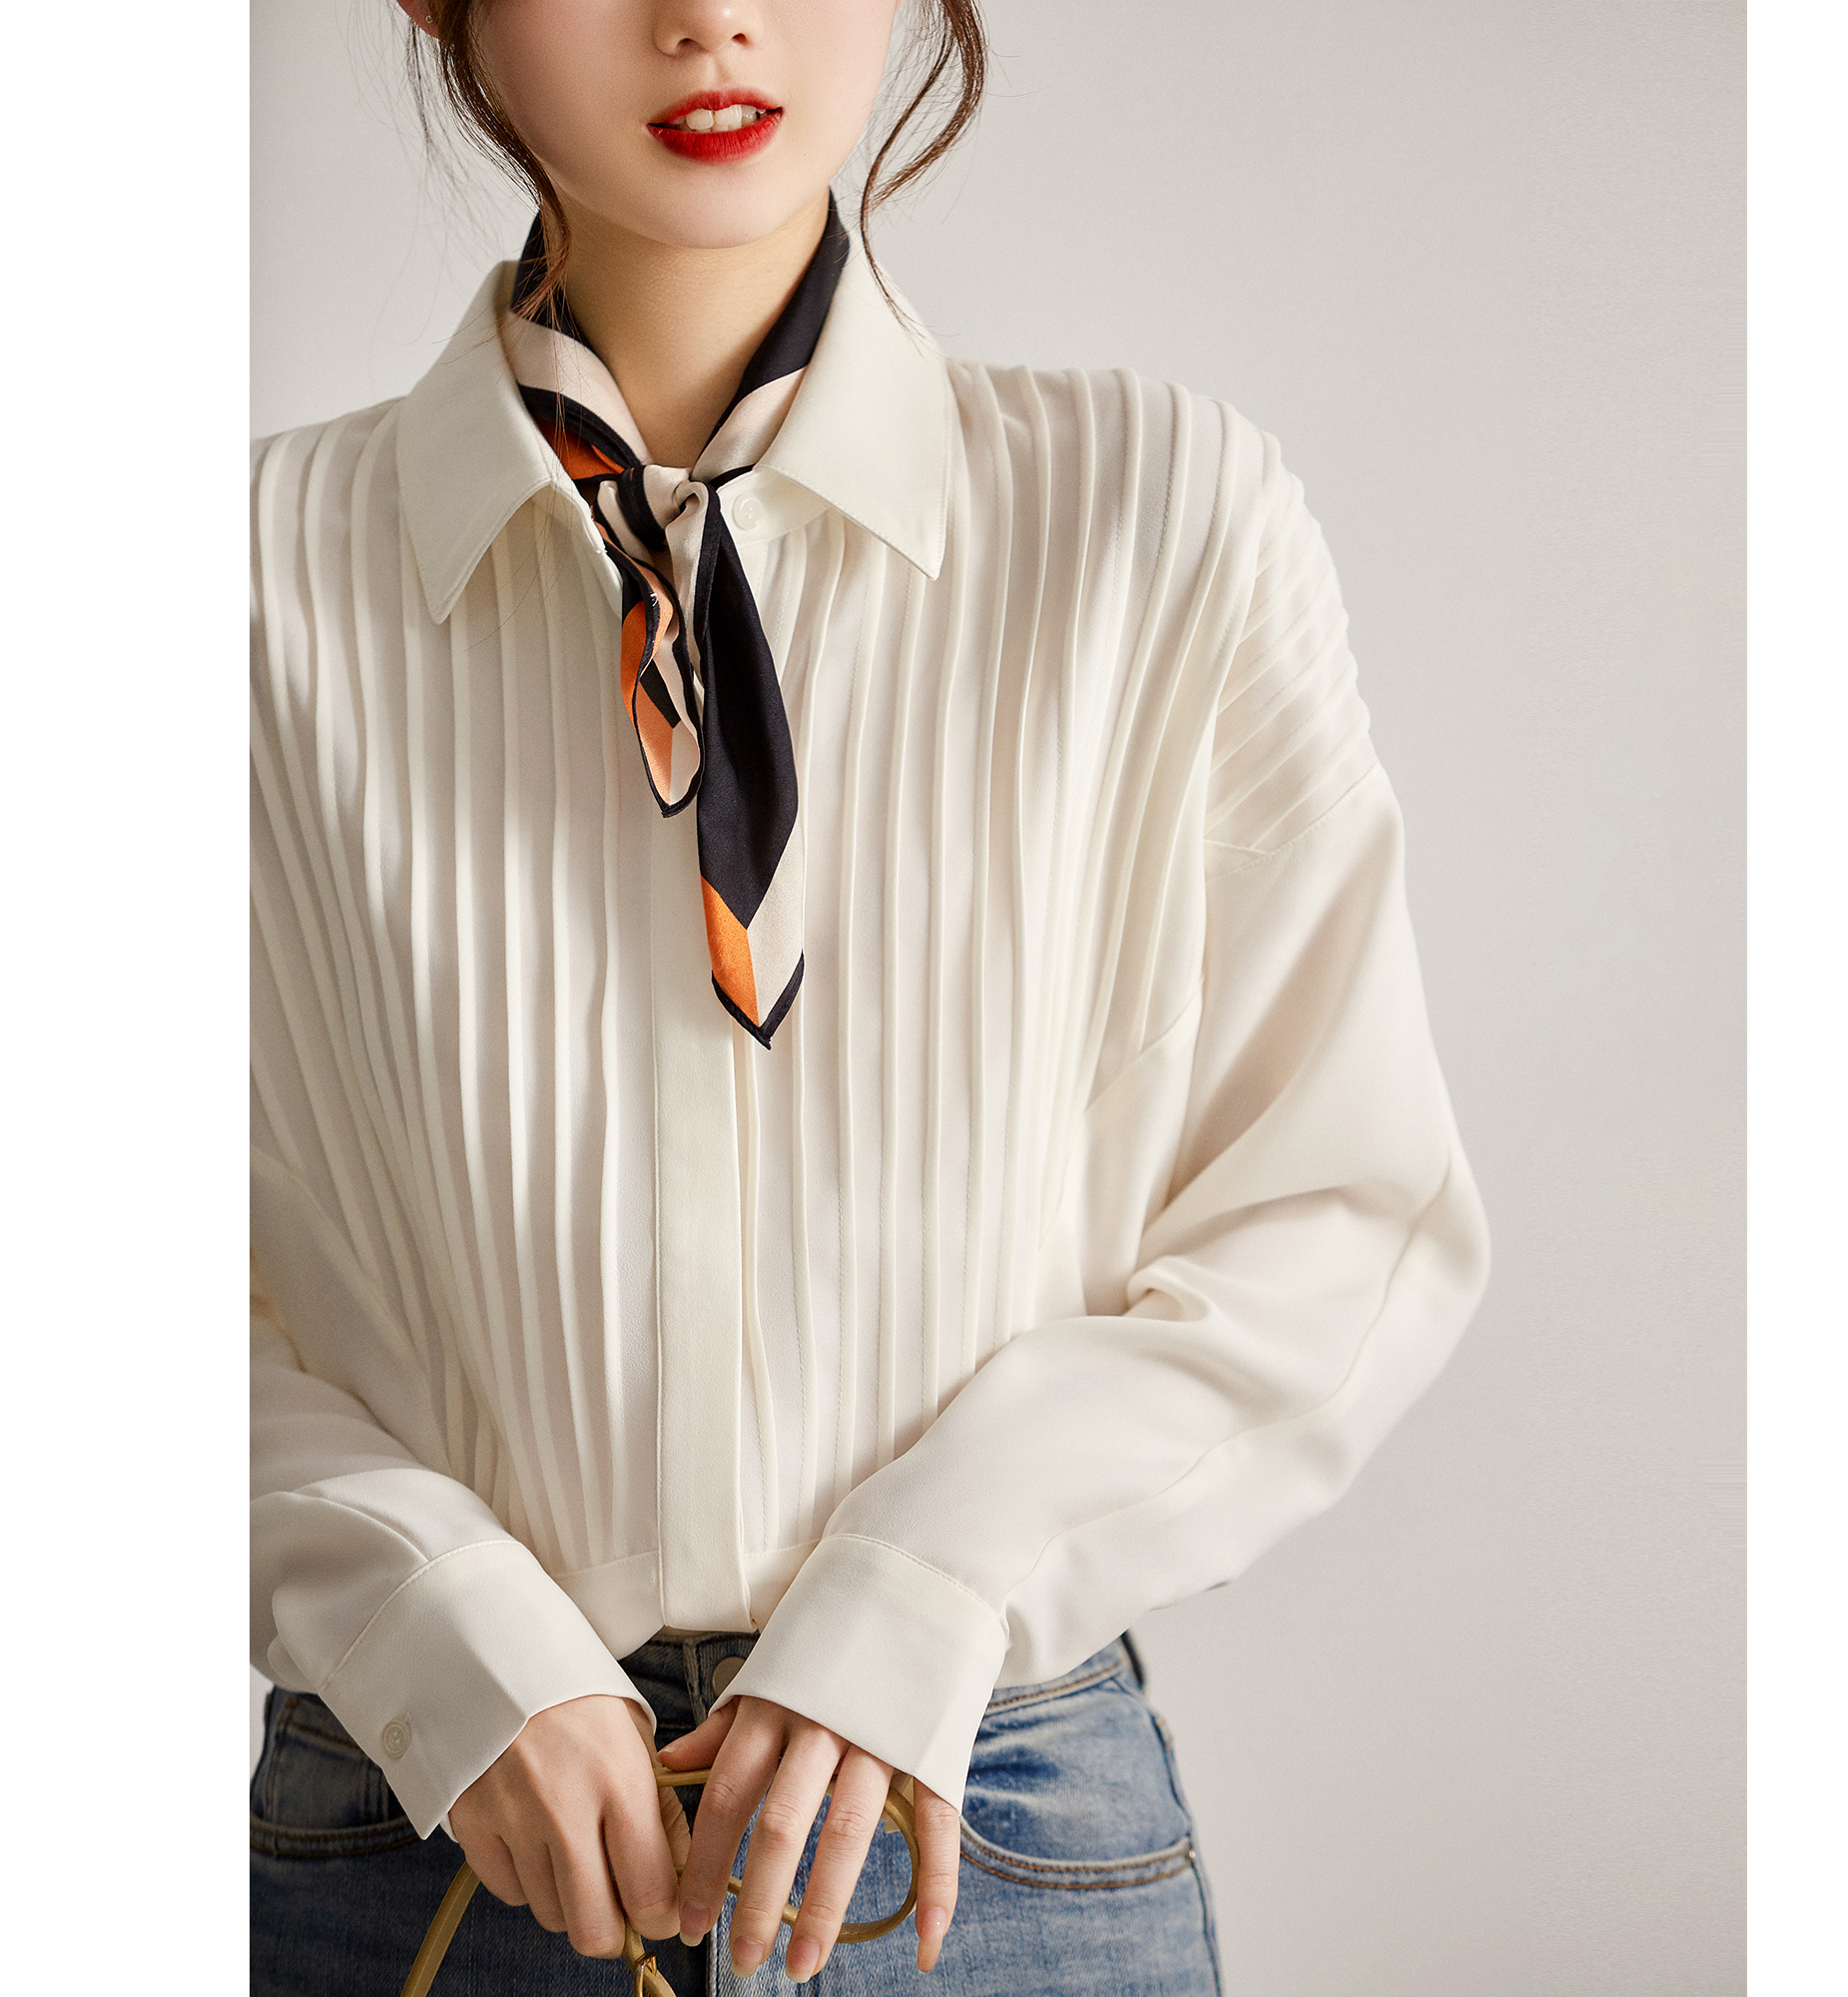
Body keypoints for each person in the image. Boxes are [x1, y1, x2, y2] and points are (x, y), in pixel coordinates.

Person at [249, 1, 1493, 1991]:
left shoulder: (1158, 518)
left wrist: (929, 1581)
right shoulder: (234, 586)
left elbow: (1340, 1209)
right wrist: (424, 1613)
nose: (709, 19)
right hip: (432, 1828)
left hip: (980, 1823)